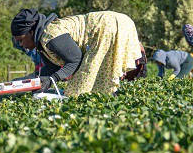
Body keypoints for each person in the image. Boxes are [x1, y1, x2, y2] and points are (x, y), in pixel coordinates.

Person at [11, 9, 142, 97]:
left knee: (81, 89)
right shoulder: (43, 41)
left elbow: (75, 59)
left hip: (108, 26)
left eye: (20, 40)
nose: (21, 45)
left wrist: (52, 79)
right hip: (116, 23)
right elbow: (51, 68)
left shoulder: (50, 35)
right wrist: (19, 83)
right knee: (91, 86)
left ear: (31, 32)